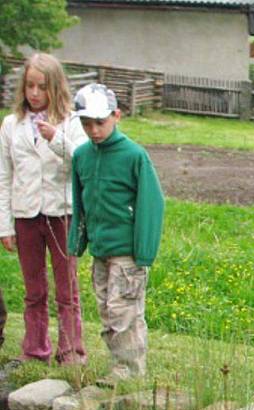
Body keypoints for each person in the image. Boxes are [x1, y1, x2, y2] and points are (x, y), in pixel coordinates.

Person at [68, 83, 165, 383]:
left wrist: (144, 252)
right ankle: (118, 363)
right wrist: (77, 241)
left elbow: (152, 203)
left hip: (127, 250)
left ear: (116, 116)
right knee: (107, 310)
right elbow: (80, 200)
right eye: (86, 123)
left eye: (100, 122)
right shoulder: (82, 155)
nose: (94, 130)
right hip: (101, 247)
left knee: (124, 309)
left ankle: (129, 369)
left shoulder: (134, 156)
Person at [0, 53, 88, 364]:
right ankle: (35, 350)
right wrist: (5, 226)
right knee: (33, 290)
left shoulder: (71, 122)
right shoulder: (12, 124)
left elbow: (81, 159)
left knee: (67, 289)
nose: (35, 94)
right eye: (30, 87)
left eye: (42, 87)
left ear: (56, 87)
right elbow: (5, 175)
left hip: (61, 213)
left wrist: (56, 139)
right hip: (26, 215)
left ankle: (71, 351)